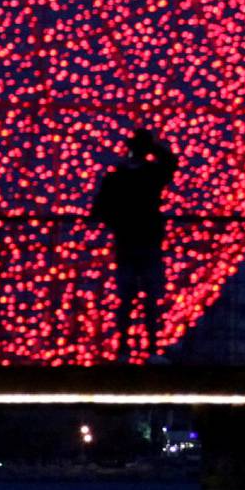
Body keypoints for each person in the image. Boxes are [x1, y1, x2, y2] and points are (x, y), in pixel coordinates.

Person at [93, 127, 178, 360]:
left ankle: (124, 348)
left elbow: (99, 205)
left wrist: (116, 221)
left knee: (128, 298)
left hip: (128, 239)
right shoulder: (151, 173)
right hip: (145, 239)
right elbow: (171, 162)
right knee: (148, 298)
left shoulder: (118, 175)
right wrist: (154, 148)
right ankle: (149, 348)